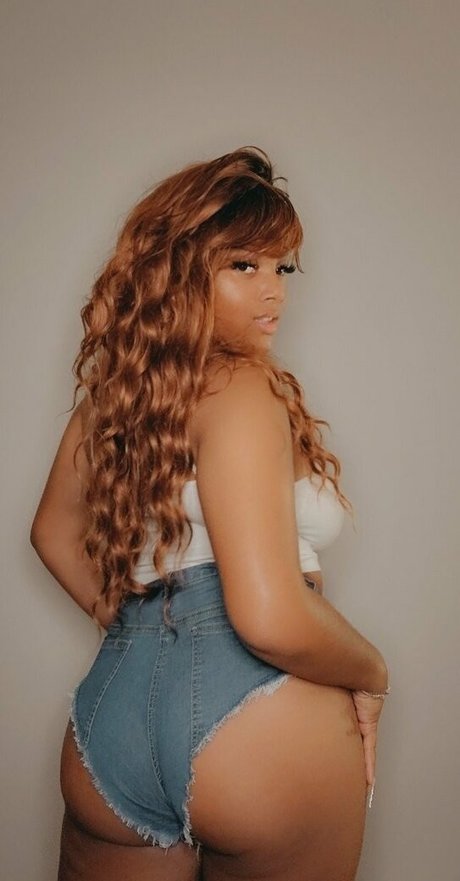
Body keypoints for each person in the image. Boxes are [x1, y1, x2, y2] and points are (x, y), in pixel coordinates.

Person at [30, 145, 390, 881]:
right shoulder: (242, 389)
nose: (273, 293)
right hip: (256, 718)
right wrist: (374, 672)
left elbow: (51, 533)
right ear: (180, 272)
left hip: (113, 719)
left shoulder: (113, 398)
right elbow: (268, 616)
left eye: (282, 268)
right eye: (243, 265)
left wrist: (140, 631)